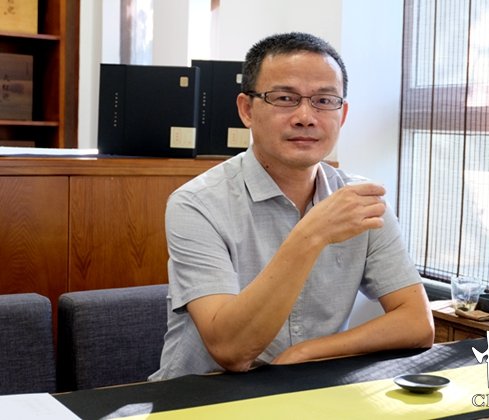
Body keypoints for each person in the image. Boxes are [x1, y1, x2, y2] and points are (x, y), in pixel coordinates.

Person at [150, 32, 434, 380]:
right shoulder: (197, 204)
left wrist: (307, 352)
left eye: (324, 101)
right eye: (285, 98)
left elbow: (417, 323)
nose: (305, 117)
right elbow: (231, 350)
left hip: (308, 389)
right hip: (204, 396)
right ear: (246, 110)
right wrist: (311, 234)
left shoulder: (361, 202)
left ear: (342, 115)